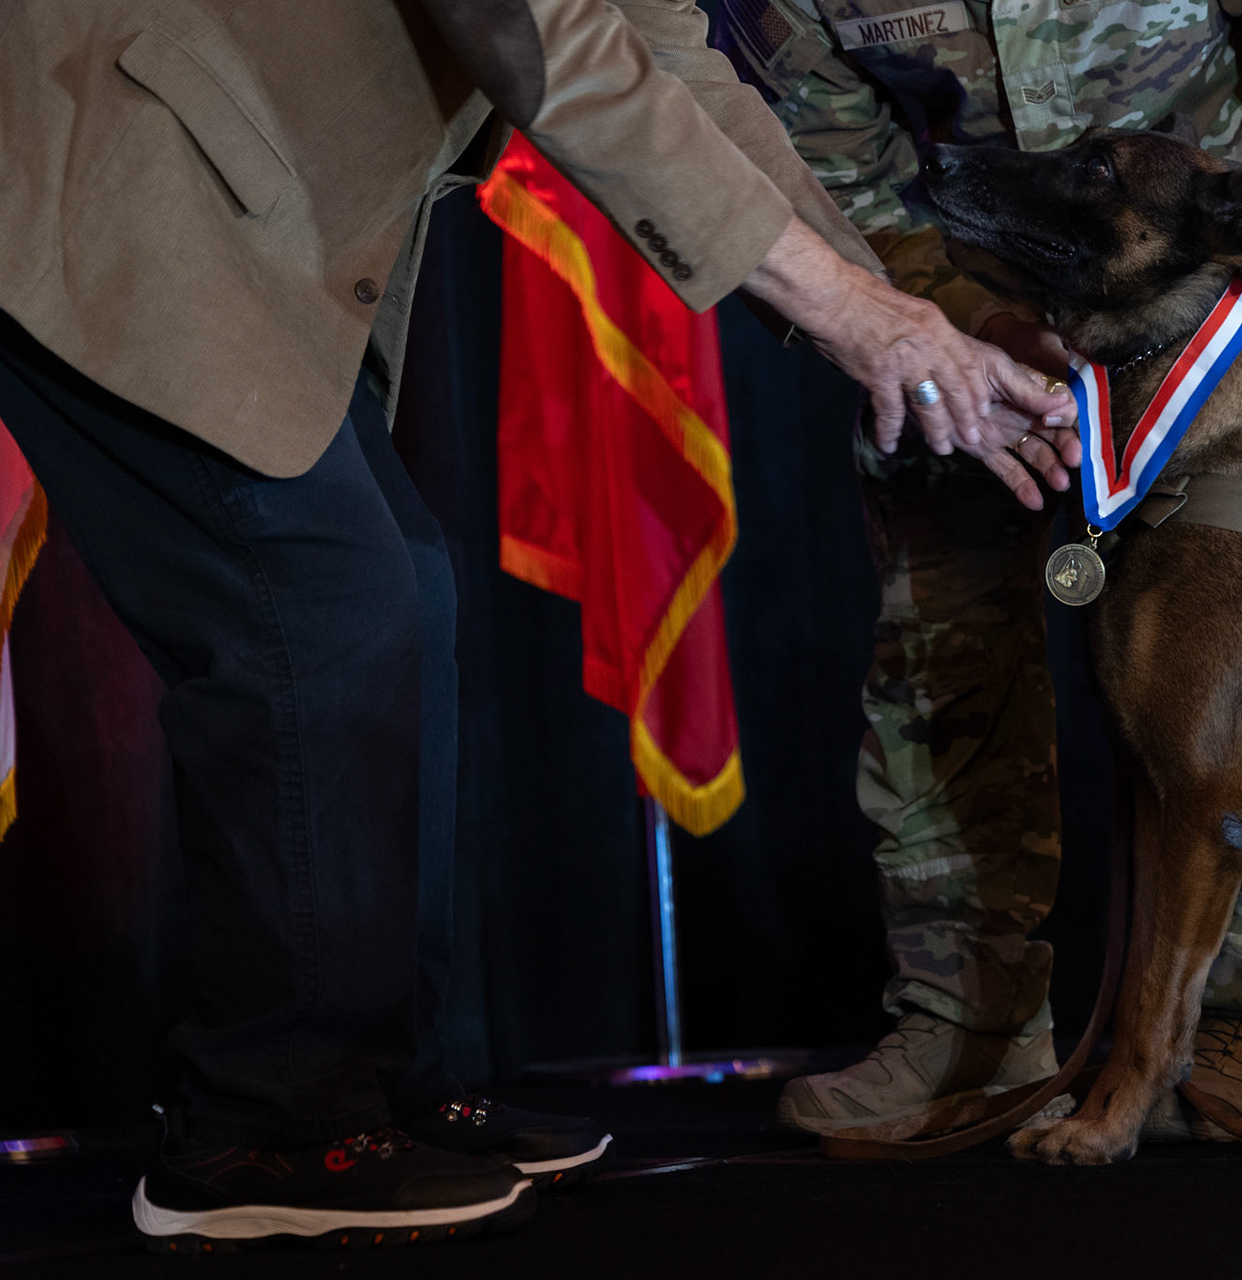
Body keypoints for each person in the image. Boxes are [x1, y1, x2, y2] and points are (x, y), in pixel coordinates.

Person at [0, 0, 1073, 1248]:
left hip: (226, 193)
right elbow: (547, 36)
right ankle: (260, 1126)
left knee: (400, 588)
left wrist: (902, 320)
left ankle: (374, 1087)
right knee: (318, 609)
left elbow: (675, 61)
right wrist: (856, 317)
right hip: (108, 167)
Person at [722, 0, 1242, 1140]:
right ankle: (968, 1028)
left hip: (1213, 336)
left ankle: (1238, 1024)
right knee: (941, 661)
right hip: (963, 325)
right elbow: (823, 172)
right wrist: (961, 328)